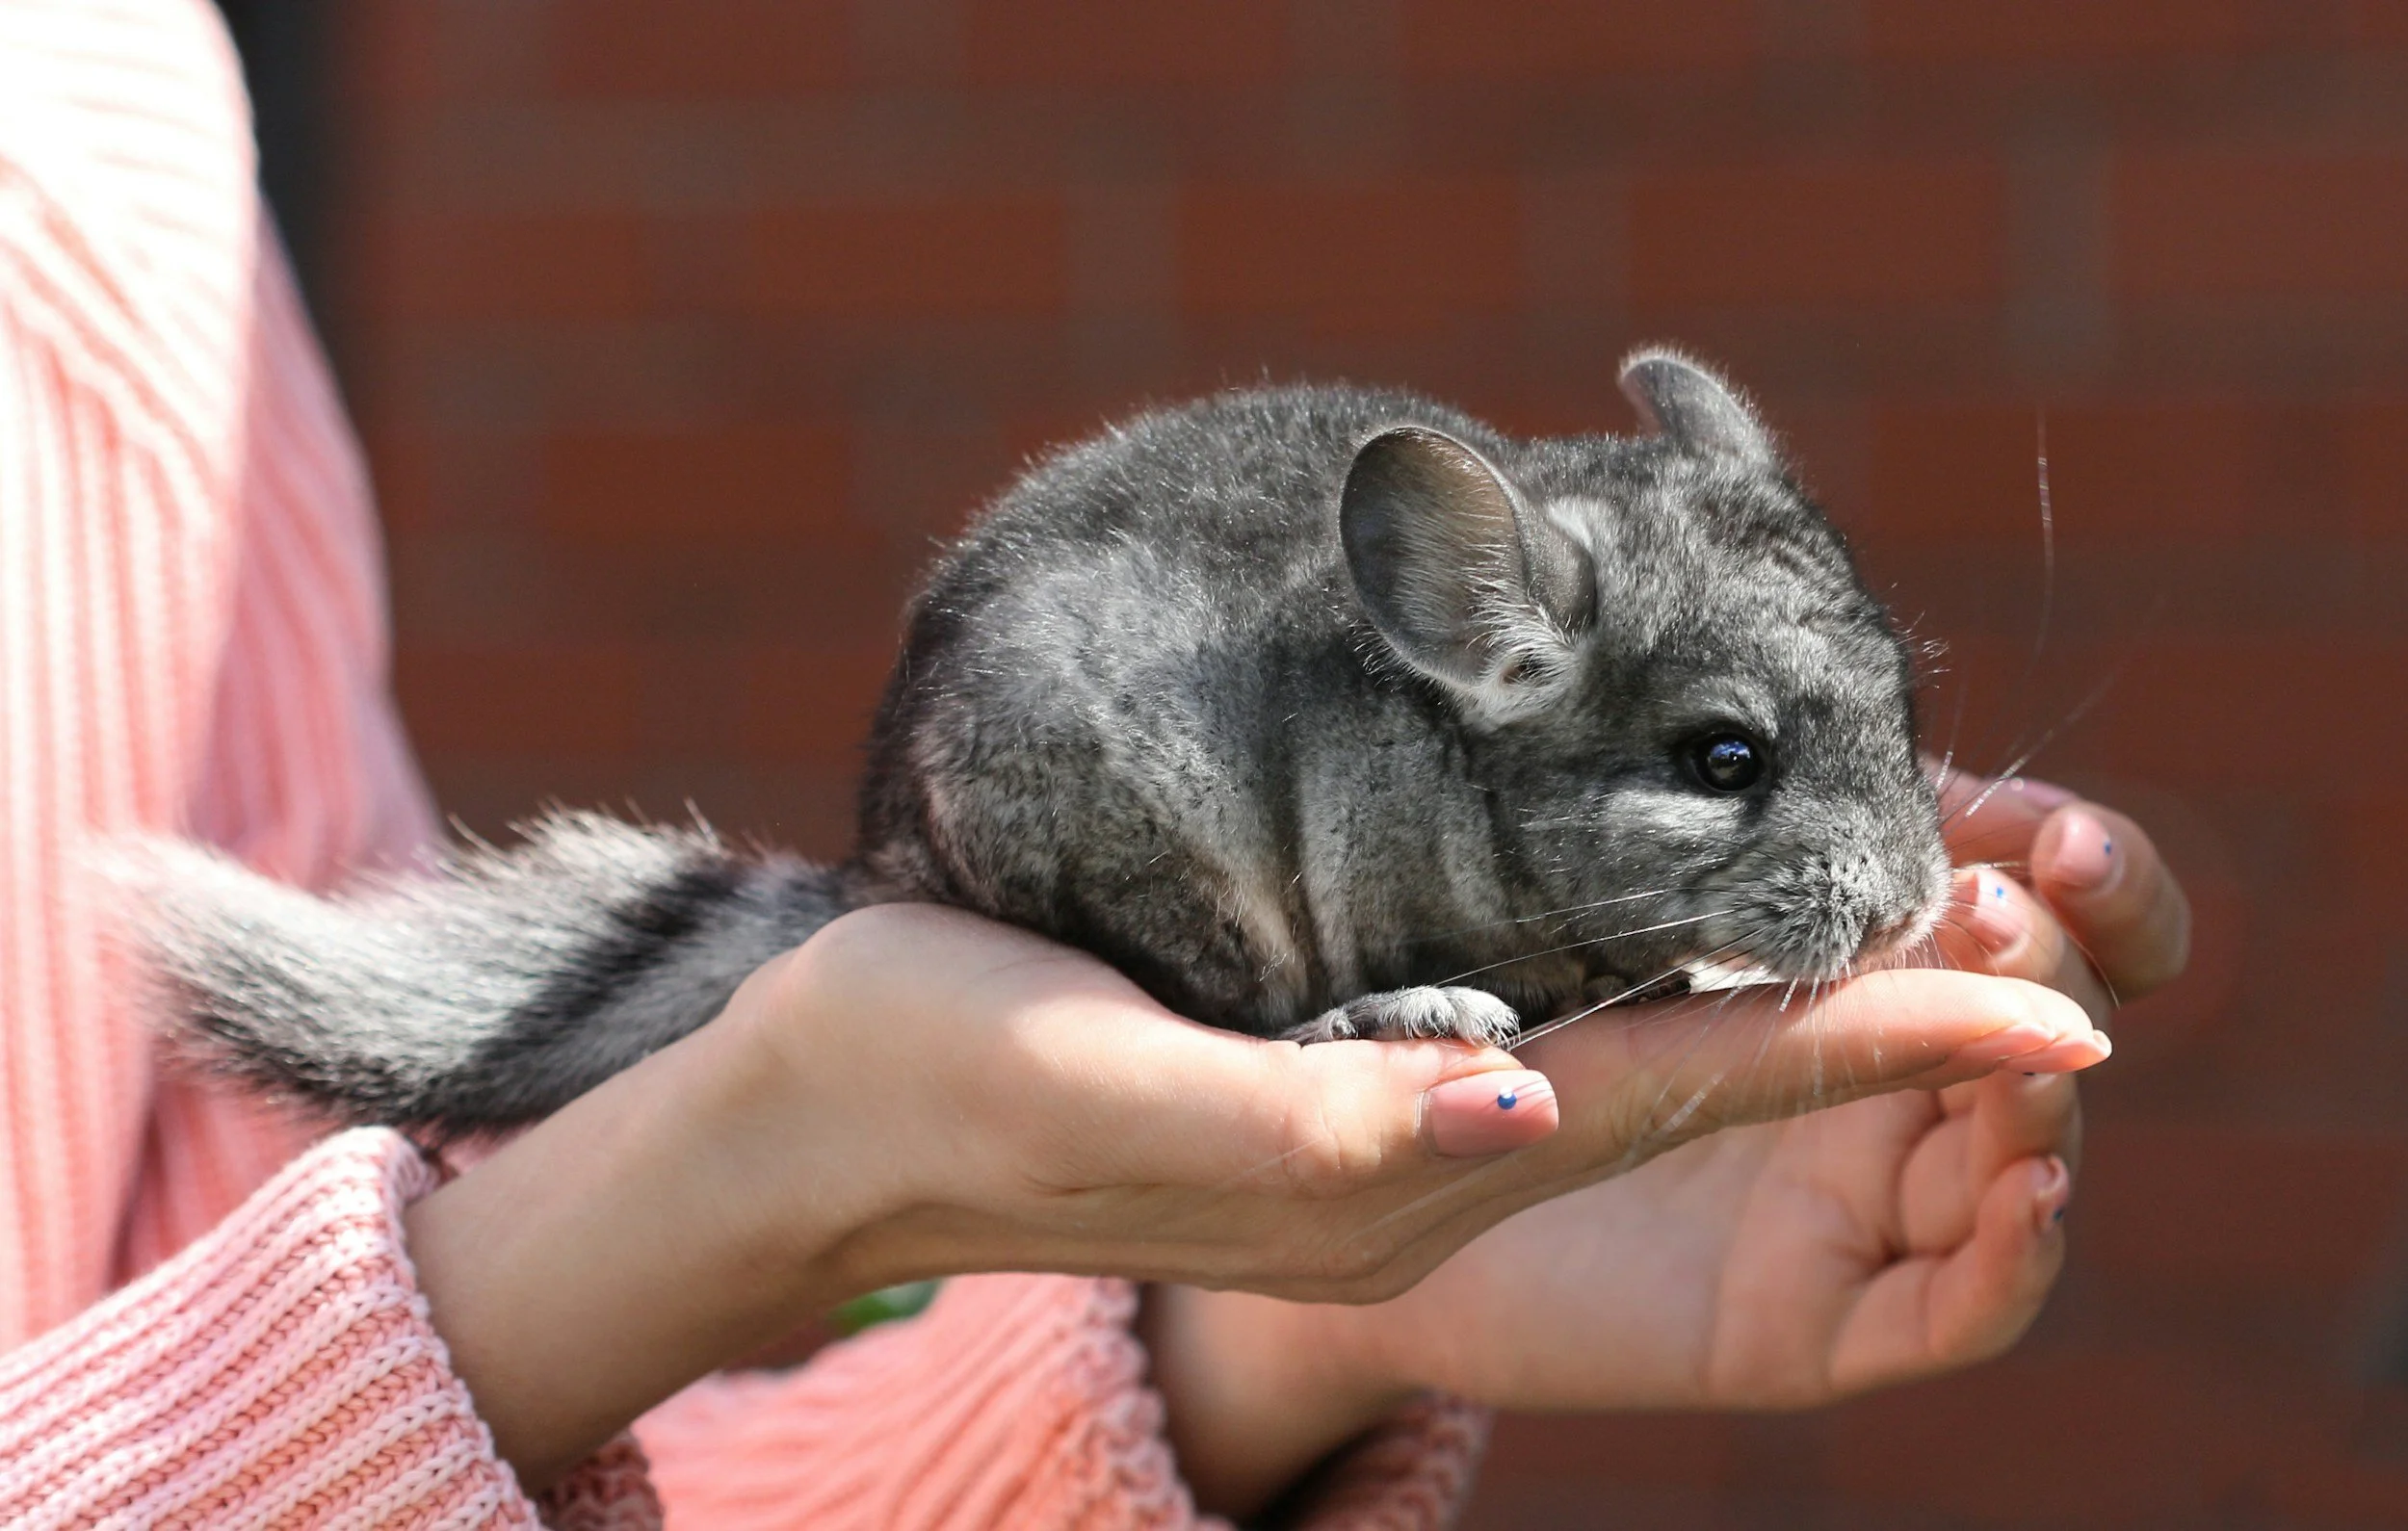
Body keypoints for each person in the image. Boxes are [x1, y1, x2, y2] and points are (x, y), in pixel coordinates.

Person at [0, 2, 2187, 1525]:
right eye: (1728, 767)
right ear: (1484, 644)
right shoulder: (101, 202)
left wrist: (1279, 1323)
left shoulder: (129, 157)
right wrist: (730, 1172)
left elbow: (535, 1444)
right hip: (1098, 783)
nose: (1868, 856)